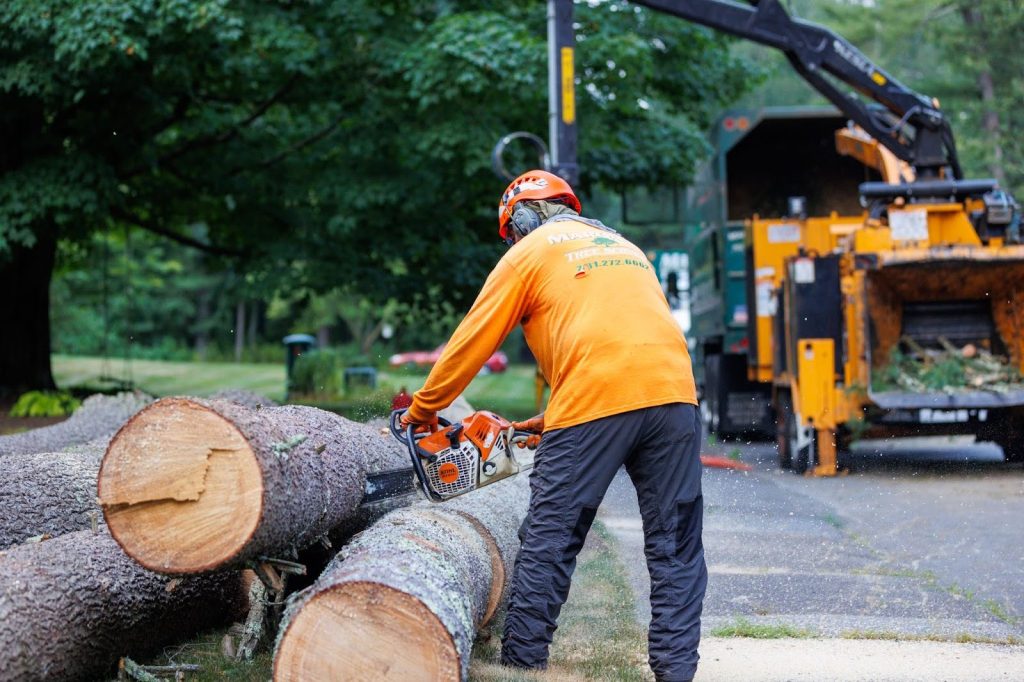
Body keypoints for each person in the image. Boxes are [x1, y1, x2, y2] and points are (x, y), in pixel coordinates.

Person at [399, 169, 705, 682]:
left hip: (595, 400)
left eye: (511, 232)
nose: (512, 240)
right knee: (675, 543)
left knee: (551, 538)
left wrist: (421, 412)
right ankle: (676, 673)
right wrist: (552, 416)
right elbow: (629, 341)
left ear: (520, 219)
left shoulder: (529, 252)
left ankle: (522, 666)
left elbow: (471, 342)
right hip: (674, 397)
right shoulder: (627, 247)